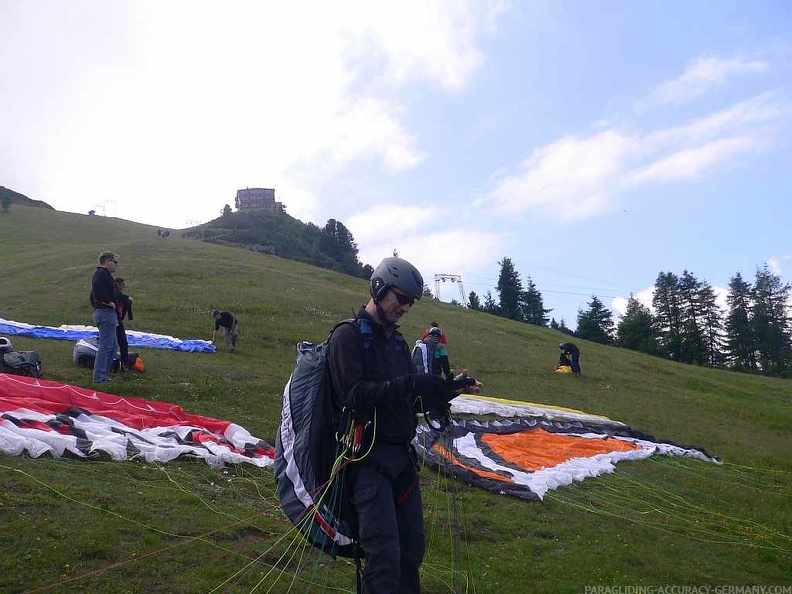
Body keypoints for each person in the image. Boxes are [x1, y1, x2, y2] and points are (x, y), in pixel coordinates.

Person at [326, 257, 479, 593]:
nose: (406, 307)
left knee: (411, 553)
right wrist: (412, 384)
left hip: (402, 462)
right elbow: (353, 394)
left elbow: (409, 401)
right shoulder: (347, 337)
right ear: (378, 288)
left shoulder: (396, 343)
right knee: (383, 559)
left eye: (411, 301)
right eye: (401, 298)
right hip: (366, 464)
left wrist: (449, 389)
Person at [90, 251, 119, 384]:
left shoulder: (103, 274)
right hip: (105, 313)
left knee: (112, 346)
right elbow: (97, 293)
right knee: (106, 346)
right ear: (107, 261)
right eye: (115, 262)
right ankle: (100, 379)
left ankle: (104, 376)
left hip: (106, 312)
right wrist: (109, 302)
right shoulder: (102, 274)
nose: (116, 265)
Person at [114, 277, 134, 369]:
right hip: (115, 321)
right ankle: (124, 363)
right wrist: (128, 300)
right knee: (122, 342)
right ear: (117, 285)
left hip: (116, 320)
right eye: (122, 284)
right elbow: (125, 300)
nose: (123, 286)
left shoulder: (116, 294)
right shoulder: (117, 295)